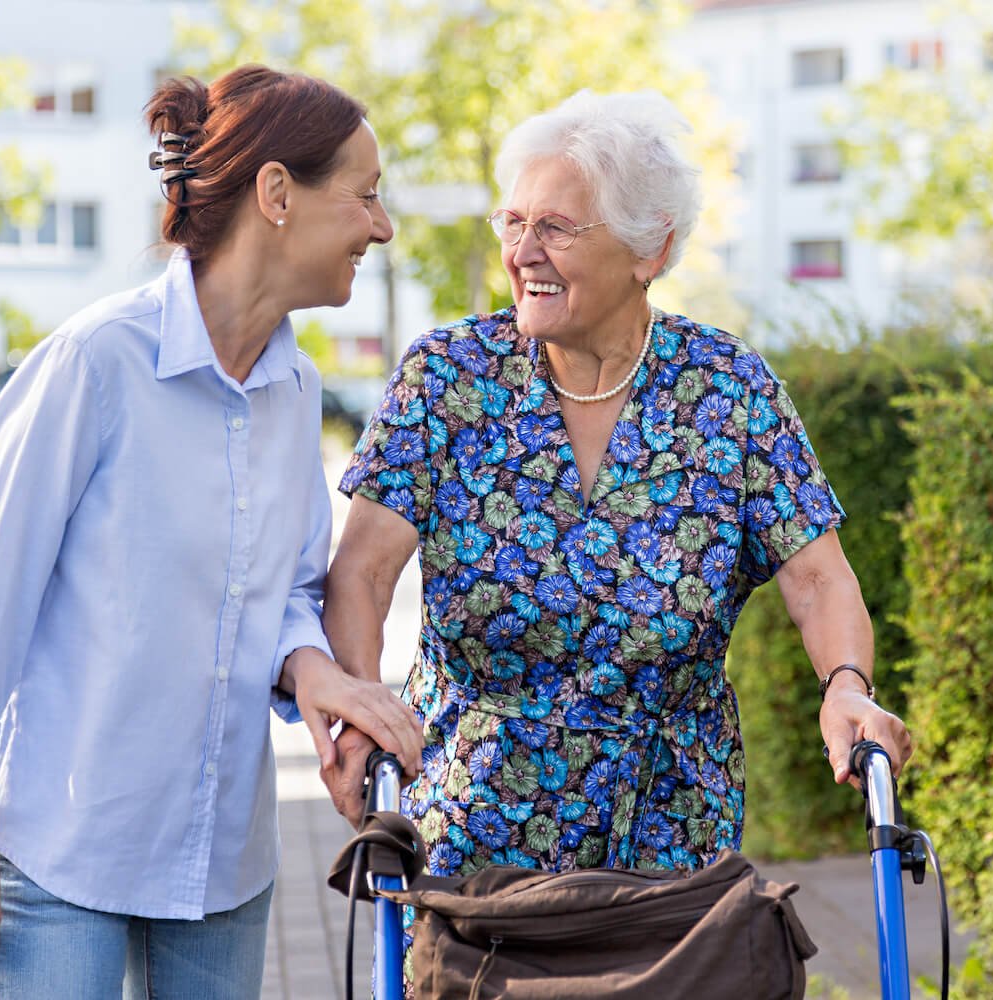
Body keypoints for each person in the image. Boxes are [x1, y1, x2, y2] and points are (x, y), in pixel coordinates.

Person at [0, 65, 422, 999]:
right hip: (66, 851)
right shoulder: (96, 363)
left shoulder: (296, 390)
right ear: (276, 194)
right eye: (366, 195)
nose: (381, 227)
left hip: (220, 860)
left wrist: (315, 672)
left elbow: (286, 593)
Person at [320, 88, 911, 886]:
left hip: (670, 843)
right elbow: (361, 573)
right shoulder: (447, 378)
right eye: (513, 223)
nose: (524, 252)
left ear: (649, 250)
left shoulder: (727, 389)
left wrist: (847, 687)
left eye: (556, 228)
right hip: (470, 839)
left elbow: (818, 579)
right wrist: (362, 707)